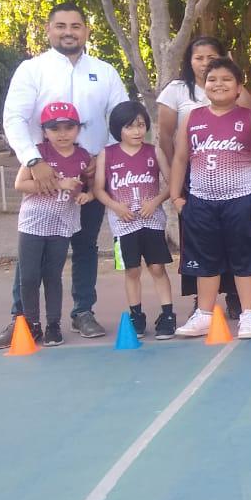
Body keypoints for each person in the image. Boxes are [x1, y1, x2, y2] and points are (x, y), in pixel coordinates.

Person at [0, 1, 128, 347]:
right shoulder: (32, 70)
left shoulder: (105, 72)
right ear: (49, 30)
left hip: (89, 176)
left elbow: (121, 119)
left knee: (85, 247)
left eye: (75, 26)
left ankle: (83, 312)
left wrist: (103, 159)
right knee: (32, 253)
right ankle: (23, 319)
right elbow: (14, 118)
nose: (69, 32)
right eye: (61, 26)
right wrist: (33, 160)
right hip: (44, 179)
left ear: (86, 31)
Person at [169, 58, 251, 339]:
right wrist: (176, 196)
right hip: (201, 201)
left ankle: (249, 313)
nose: (219, 84)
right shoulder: (192, 118)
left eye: (227, 79)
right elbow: (180, 158)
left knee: (244, 257)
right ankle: (204, 314)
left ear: (239, 87)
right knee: (205, 260)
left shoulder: (250, 118)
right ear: (204, 85)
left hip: (242, 199)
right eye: (212, 79)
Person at [157, 35, 251, 319]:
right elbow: (166, 137)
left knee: (235, 239)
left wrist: (235, 73)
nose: (204, 63)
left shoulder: (230, 87)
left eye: (211, 57)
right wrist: (176, 180)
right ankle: (202, 303)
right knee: (201, 242)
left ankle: (236, 297)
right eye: (198, 58)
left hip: (233, 172)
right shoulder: (177, 90)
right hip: (194, 173)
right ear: (189, 61)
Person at [6, 103, 94, 347]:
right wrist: (59, 184)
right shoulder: (38, 154)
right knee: (29, 276)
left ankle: (53, 325)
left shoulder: (83, 157)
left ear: (78, 129)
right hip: (32, 223)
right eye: (55, 129)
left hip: (61, 225)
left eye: (69, 127)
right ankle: (31, 323)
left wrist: (86, 195)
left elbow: (90, 185)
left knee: (53, 276)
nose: (62, 134)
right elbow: (20, 184)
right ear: (44, 131)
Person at [93, 101, 176, 339]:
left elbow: (172, 183)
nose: (137, 131)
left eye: (141, 125)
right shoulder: (107, 154)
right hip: (123, 224)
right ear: (118, 129)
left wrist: (156, 201)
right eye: (129, 127)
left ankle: (167, 315)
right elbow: (98, 189)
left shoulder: (154, 151)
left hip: (152, 220)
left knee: (157, 267)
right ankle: (136, 315)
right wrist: (116, 206)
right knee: (131, 270)